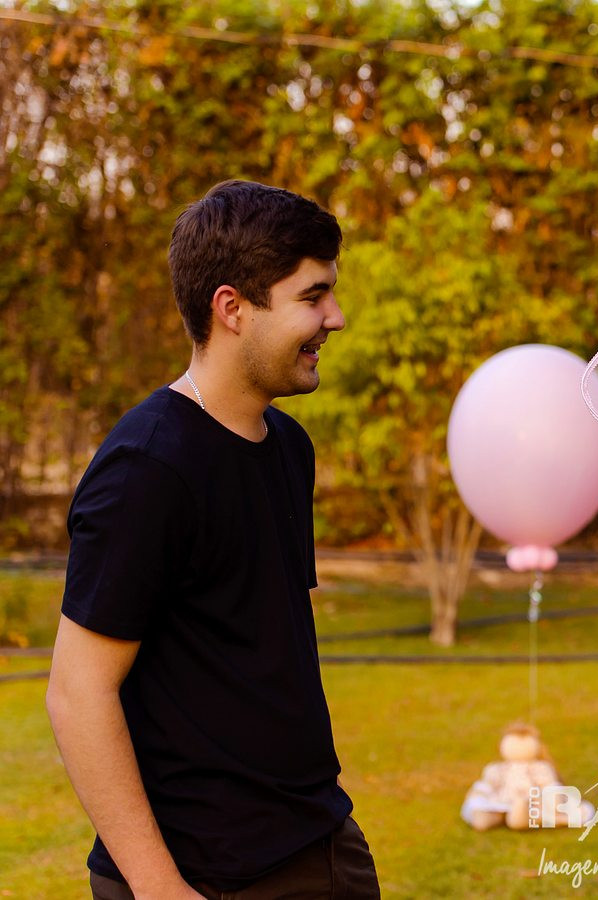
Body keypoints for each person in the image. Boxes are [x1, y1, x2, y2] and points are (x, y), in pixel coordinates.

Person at [45, 180, 381, 899]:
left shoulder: (288, 446)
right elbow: (77, 692)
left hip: (321, 844)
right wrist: (159, 888)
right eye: (313, 296)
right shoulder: (146, 467)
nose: (336, 317)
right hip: (203, 876)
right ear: (231, 308)